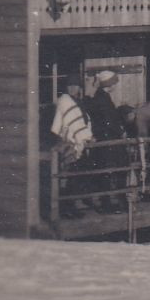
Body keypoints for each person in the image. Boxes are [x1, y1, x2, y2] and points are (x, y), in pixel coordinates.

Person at [81, 70, 128, 211]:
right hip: (109, 139)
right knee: (115, 170)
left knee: (106, 171)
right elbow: (108, 121)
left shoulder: (100, 96)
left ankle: (109, 202)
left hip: (104, 139)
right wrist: (121, 132)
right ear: (110, 84)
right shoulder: (103, 98)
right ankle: (111, 203)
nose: (115, 85)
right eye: (114, 82)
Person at [49, 76, 92, 216]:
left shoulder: (80, 102)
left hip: (78, 143)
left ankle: (71, 207)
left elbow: (83, 121)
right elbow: (67, 123)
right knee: (66, 177)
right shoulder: (64, 101)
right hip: (67, 143)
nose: (73, 88)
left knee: (75, 178)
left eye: (76, 86)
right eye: (70, 86)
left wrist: (86, 135)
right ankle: (65, 209)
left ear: (80, 88)